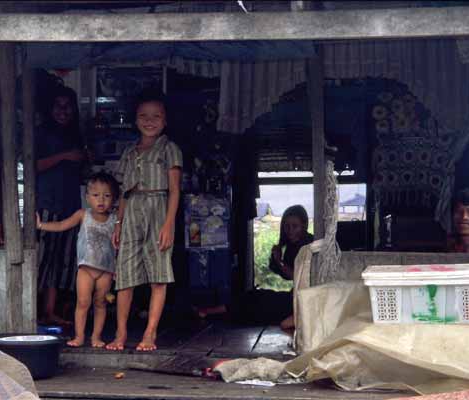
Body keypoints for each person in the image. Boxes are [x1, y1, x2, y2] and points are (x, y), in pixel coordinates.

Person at [106, 91, 182, 352]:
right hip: (132, 213)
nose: (149, 121)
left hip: (159, 209)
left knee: (158, 276)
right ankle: (120, 334)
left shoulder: (170, 149)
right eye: (143, 116)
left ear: (165, 120)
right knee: (125, 276)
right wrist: (118, 223)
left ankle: (150, 334)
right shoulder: (129, 152)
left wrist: (169, 224)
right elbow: (124, 192)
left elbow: (174, 190)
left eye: (156, 116)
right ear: (135, 119)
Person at [196, 205, 313, 330]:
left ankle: (209, 312)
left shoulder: (309, 244)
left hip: (305, 301)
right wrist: (276, 258)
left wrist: (280, 261)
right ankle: (209, 312)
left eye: (295, 226)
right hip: (294, 297)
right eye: (286, 226)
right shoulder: (291, 245)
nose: (290, 230)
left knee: (255, 305)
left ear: (304, 225)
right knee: (253, 297)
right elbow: (284, 274)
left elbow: (299, 276)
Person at [37, 172, 118, 348]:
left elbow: (121, 244)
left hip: (106, 270)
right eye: (96, 195)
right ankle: (79, 336)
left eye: (107, 196)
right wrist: (41, 225)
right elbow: (61, 225)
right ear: (87, 197)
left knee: (100, 303)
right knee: (82, 303)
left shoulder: (115, 220)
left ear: (114, 199)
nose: (101, 200)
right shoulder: (83, 215)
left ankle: (96, 337)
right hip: (86, 269)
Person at [35, 85, 87, 326]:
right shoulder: (41, 133)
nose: (63, 111)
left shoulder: (75, 135)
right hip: (46, 203)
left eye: (68, 106)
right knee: (42, 257)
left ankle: (50, 310)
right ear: (49, 108)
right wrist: (65, 156)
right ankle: (33, 309)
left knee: (61, 261)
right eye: (58, 106)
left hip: (69, 204)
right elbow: (34, 165)